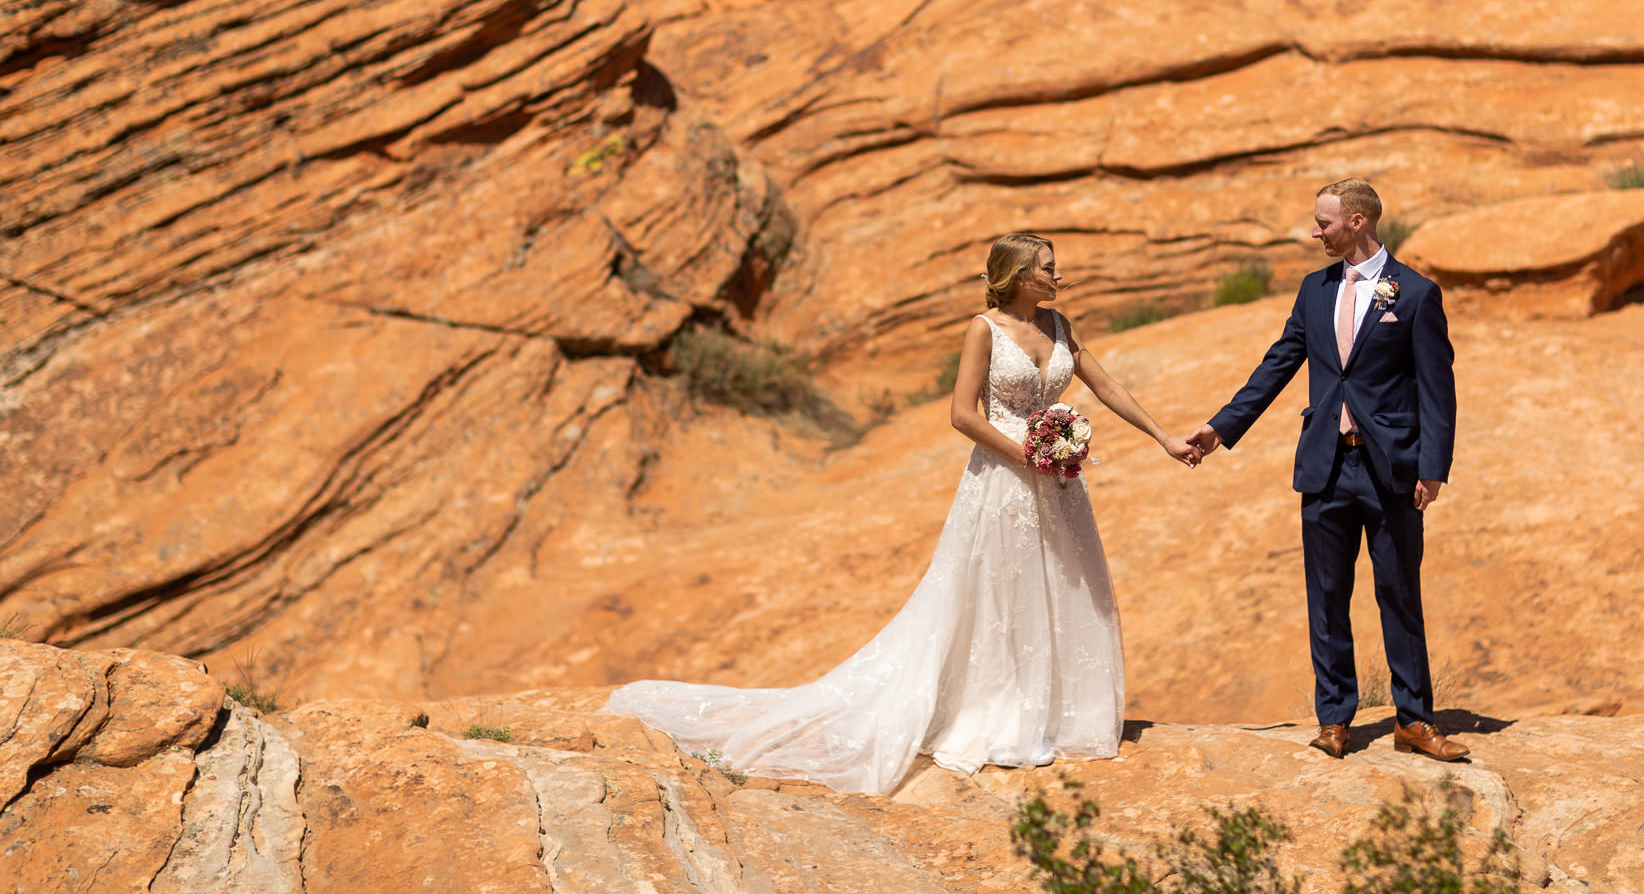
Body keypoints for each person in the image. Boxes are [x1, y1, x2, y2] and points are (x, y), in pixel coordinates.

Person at [602, 232, 1198, 794]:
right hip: (1005, 479)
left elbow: (1107, 386)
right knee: (999, 592)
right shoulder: (983, 330)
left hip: (1058, 480)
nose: (1058, 275)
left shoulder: (1060, 324)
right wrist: (1027, 455)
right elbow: (963, 414)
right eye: (1048, 268)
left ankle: (1057, 714)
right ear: (1017, 277)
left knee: (1066, 586)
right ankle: (997, 715)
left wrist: (1164, 437)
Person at [1183, 179, 1468, 763]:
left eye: (1324, 222)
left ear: (1357, 221)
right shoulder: (1314, 291)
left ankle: (1413, 720)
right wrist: (1221, 428)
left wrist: (1433, 467)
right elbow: (1279, 363)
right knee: (1327, 595)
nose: (1315, 231)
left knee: (1399, 594)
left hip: (1392, 466)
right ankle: (1334, 719)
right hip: (1325, 466)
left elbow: (1438, 388)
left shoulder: (1413, 293)